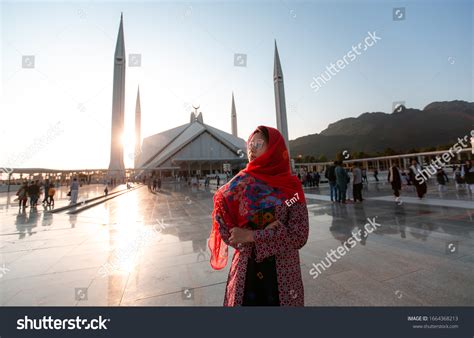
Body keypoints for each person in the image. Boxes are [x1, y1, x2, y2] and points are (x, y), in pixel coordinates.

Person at [209, 126, 309, 306]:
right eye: (249, 144)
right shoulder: (239, 185)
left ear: (274, 148)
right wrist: (271, 231)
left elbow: (299, 235)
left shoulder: (291, 188)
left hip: (283, 273)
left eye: (258, 144)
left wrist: (251, 235)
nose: (251, 149)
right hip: (246, 272)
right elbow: (226, 227)